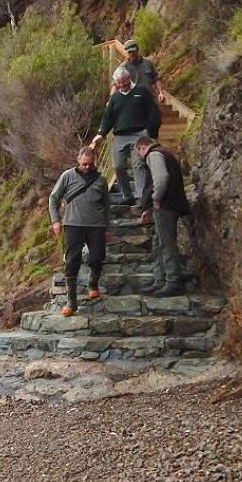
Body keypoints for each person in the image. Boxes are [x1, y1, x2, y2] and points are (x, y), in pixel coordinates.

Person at [48, 145, 111, 317]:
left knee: (98, 257)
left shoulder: (101, 180)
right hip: (73, 224)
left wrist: (108, 227)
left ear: (94, 162)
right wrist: (55, 221)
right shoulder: (67, 176)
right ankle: (71, 301)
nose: (87, 167)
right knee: (72, 261)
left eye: (90, 164)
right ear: (78, 161)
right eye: (84, 164)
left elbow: (106, 205)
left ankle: (93, 283)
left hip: (97, 225)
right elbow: (53, 198)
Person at [91, 66, 161, 207]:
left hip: (139, 134)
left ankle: (141, 197)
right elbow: (107, 118)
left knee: (138, 164)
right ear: (116, 83)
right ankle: (127, 195)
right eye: (119, 83)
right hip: (120, 136)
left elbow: (154, 113)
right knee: (118, 166)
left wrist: (148, 131)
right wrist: (100, 134)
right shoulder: (115, 98)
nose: (122, 85)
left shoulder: (141, 91)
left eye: (124, 82)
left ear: (129, 79)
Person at [135, 135, 190, 297]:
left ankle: (173, 282)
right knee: (158, 243)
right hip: (169, 204)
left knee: (166, 243)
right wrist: (150, 208)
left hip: (166, 205)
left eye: (139, 153)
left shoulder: (154, 154)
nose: (140, 157)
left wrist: (156, 199)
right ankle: (160, 280)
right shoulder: (164, 154)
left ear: (141, 148)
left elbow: (161, 178)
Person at [118, 38, 165, 103]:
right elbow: (116, 84)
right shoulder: (123, 67)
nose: (132, 54)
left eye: (133, 51)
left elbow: (156, 79)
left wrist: (161, 93)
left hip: (150, 99)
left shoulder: (148, 63)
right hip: (133, 100)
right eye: (129, 52)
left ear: (137, 50)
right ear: (126, 52)